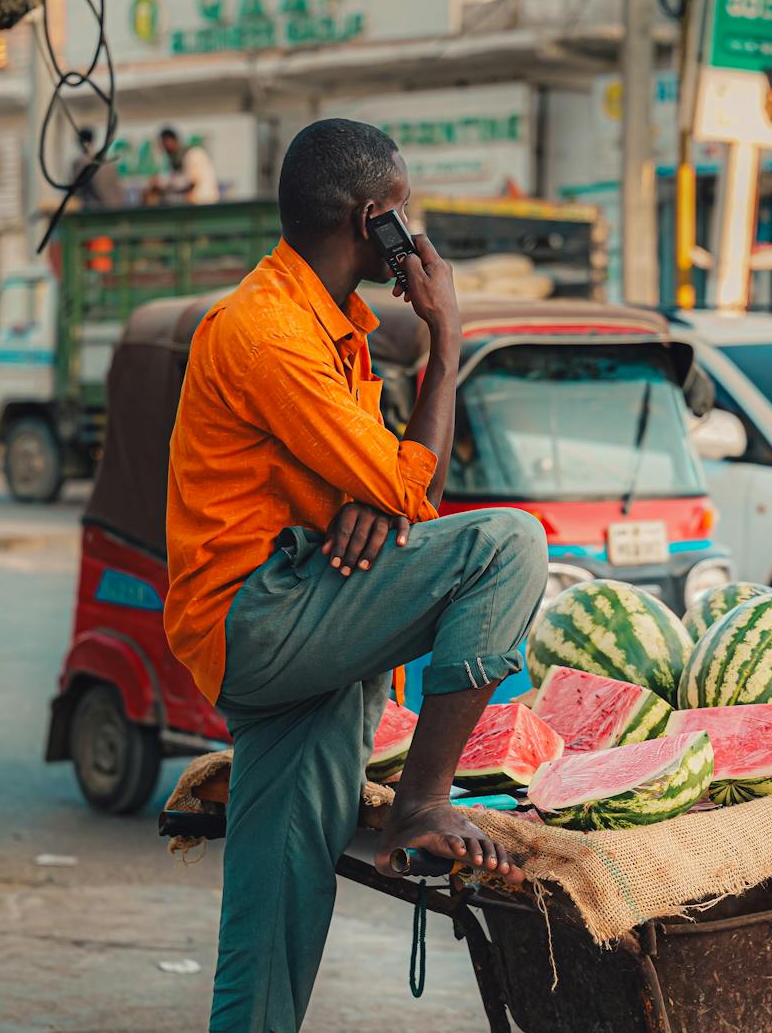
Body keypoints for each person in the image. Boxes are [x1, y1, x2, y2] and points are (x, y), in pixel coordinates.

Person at [165, 118, 545, 1031]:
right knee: (509, 546)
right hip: (260, 615)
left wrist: (377, 491)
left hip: (299, 622)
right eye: (403, 214)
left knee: (273, 929)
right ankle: (422, 803)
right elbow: (416, 482)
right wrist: (447, 334)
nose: (412, 235)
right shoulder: (269, 334)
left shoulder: (329, 328)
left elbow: (389, 482)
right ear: (373, 217)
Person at [145, 126, 221, 204]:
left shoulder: (193, 154)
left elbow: (191, 184)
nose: (164, 148)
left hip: (204, 203)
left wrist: (164, 189)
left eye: (164, 143)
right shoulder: (176, 159)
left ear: (172, 140)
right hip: (194, 204)